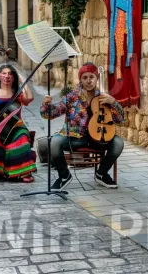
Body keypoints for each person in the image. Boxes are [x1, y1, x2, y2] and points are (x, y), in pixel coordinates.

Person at [40, 62, 125, 191]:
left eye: (91, 77)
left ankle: (101, 173)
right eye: (85, 78)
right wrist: (45, 105)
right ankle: (64, 176)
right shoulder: (72, 96)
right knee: (54, 142)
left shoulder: (103, 97)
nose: (88, 81)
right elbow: (51, 113)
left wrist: (113, 102)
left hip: (99, 137)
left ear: (97, 78)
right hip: (75, 137)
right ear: (80, 79)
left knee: (118, 143)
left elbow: (120, 119)